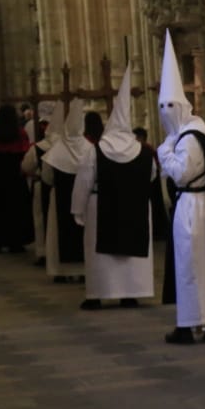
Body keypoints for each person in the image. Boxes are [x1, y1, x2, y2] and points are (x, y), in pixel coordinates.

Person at [156, 31, 205, 344]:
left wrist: (164, 153)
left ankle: (189, 324)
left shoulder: (187, 139)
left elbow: (181, 174)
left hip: (191, 208)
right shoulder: (200, 133)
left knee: (190, 266)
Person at [72, 67, 155, 310]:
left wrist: (78, 209)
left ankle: (98, 294)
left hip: (101, 205)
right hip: (136, 206)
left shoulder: (96, 151)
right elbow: (151, 175)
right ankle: (131, 293)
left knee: (100, 254)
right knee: (131, 254)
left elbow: (85, 180)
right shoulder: (143, 151)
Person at [41, 99, 89, 283]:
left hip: (59, 199)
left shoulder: (57, 149)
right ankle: (84, 270)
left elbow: (47, 177)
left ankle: (61, 271)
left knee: (58, 234)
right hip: (84, 200)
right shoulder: (89, 149)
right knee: (82, 233)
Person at [0, 102, 35, 253]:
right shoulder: (20, 133)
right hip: (16, 178)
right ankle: (16, 242)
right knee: (16, 210)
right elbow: (26, 153)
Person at [23, 101, 60, 265]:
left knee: (41, 219)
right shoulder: (68, 146)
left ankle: (43, 252)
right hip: (65, 189)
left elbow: (26, 166)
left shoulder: (38, 147)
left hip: (42, 185)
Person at [135, 126, 171, 242]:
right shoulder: (147, 149)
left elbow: (153, 170)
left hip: (150, 185)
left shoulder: (147, 150)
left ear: (141, 138)